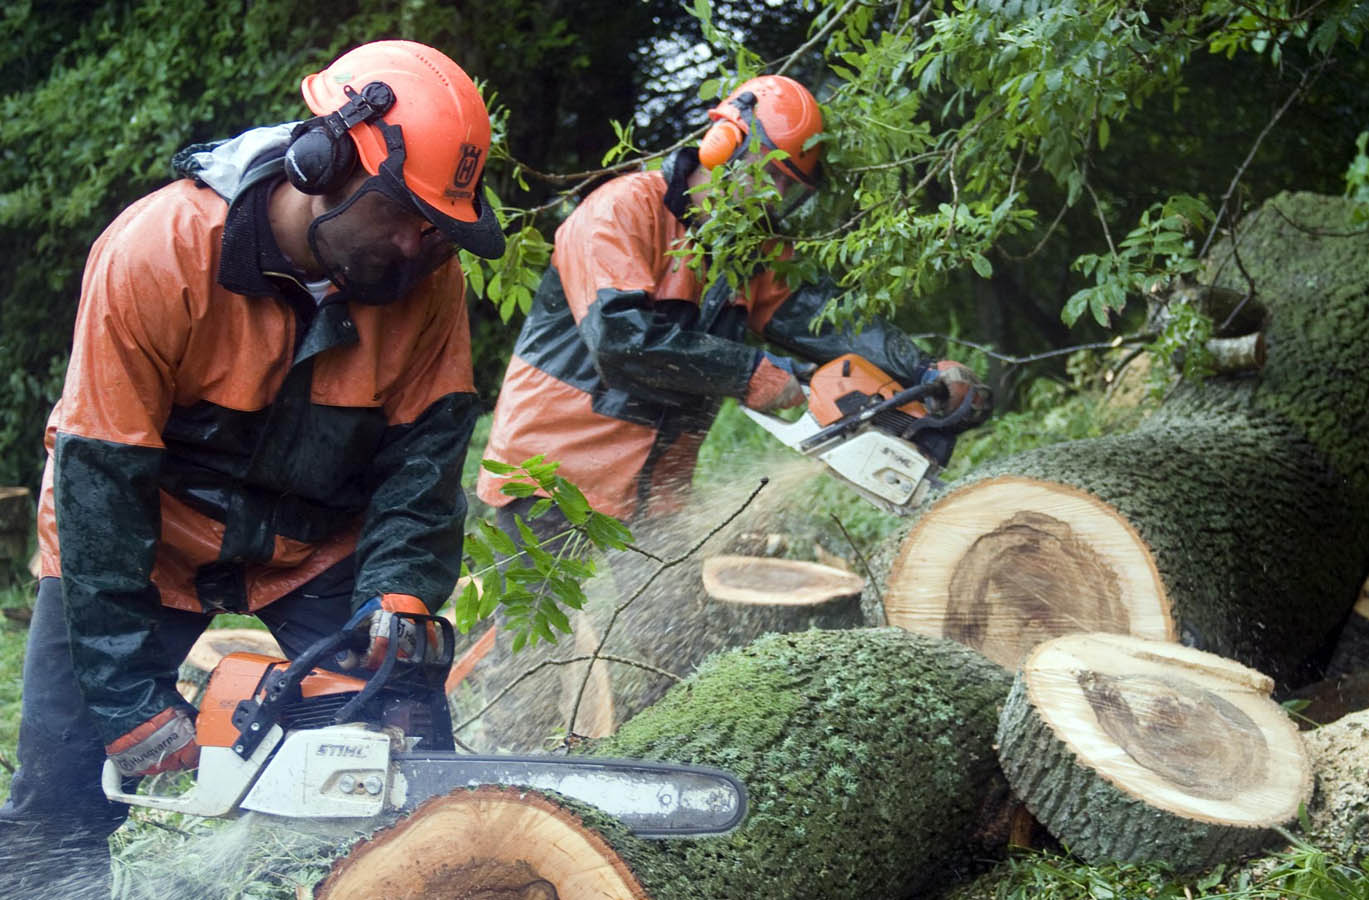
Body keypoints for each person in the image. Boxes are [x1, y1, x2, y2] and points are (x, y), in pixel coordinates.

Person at [0, 39, 504, 896]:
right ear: (325, 161)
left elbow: (423, 458)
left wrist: (399, 594)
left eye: (438, 224)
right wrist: (126, 700)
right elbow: (102, 478)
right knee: (61, 801)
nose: (421, 244)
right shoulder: (158, 251)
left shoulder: (428, 280)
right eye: (403, 215)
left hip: (317, 544)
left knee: (410, 764)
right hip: (139, 543)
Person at [477, 74, 990, 545]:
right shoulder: (621, 211)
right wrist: (753, 372)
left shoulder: (749, 249)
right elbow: (621, 342)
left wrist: (923, 370)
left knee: (672, 638)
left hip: (656, 483)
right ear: (725, 144)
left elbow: (820, 316)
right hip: (553, 470)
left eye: (791, 189)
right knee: (536, 634)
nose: (776, 196)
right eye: (773, 176)